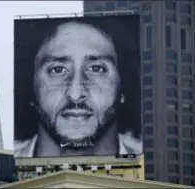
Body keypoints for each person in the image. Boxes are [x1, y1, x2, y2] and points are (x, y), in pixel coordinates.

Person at [14, 20, 142, 157]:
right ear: (30, 85)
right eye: (57, 69)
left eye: (96, 68)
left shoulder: (153, 169)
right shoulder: (4, 170)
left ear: (123, 83)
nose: (75, 94)